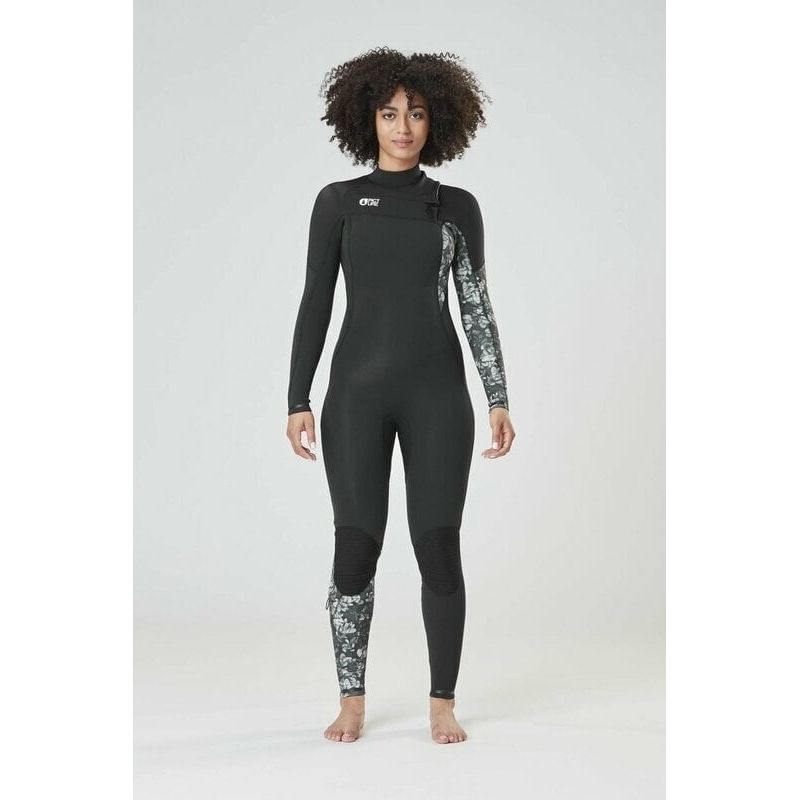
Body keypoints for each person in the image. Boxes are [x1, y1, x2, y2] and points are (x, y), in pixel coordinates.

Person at [286, 47, 515, 744]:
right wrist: (297, 397)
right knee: (355, 549)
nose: (404, 126)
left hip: (438, 398)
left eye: (416, 113)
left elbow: (476, 306)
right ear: (369, 120)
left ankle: (442, 702)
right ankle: (351, 700)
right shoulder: (337, 202)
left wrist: (498, 396)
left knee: (438, 549)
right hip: (355, 397)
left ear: (436, 119)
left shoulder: (456, 207)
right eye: (389, 114)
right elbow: (316, 301)